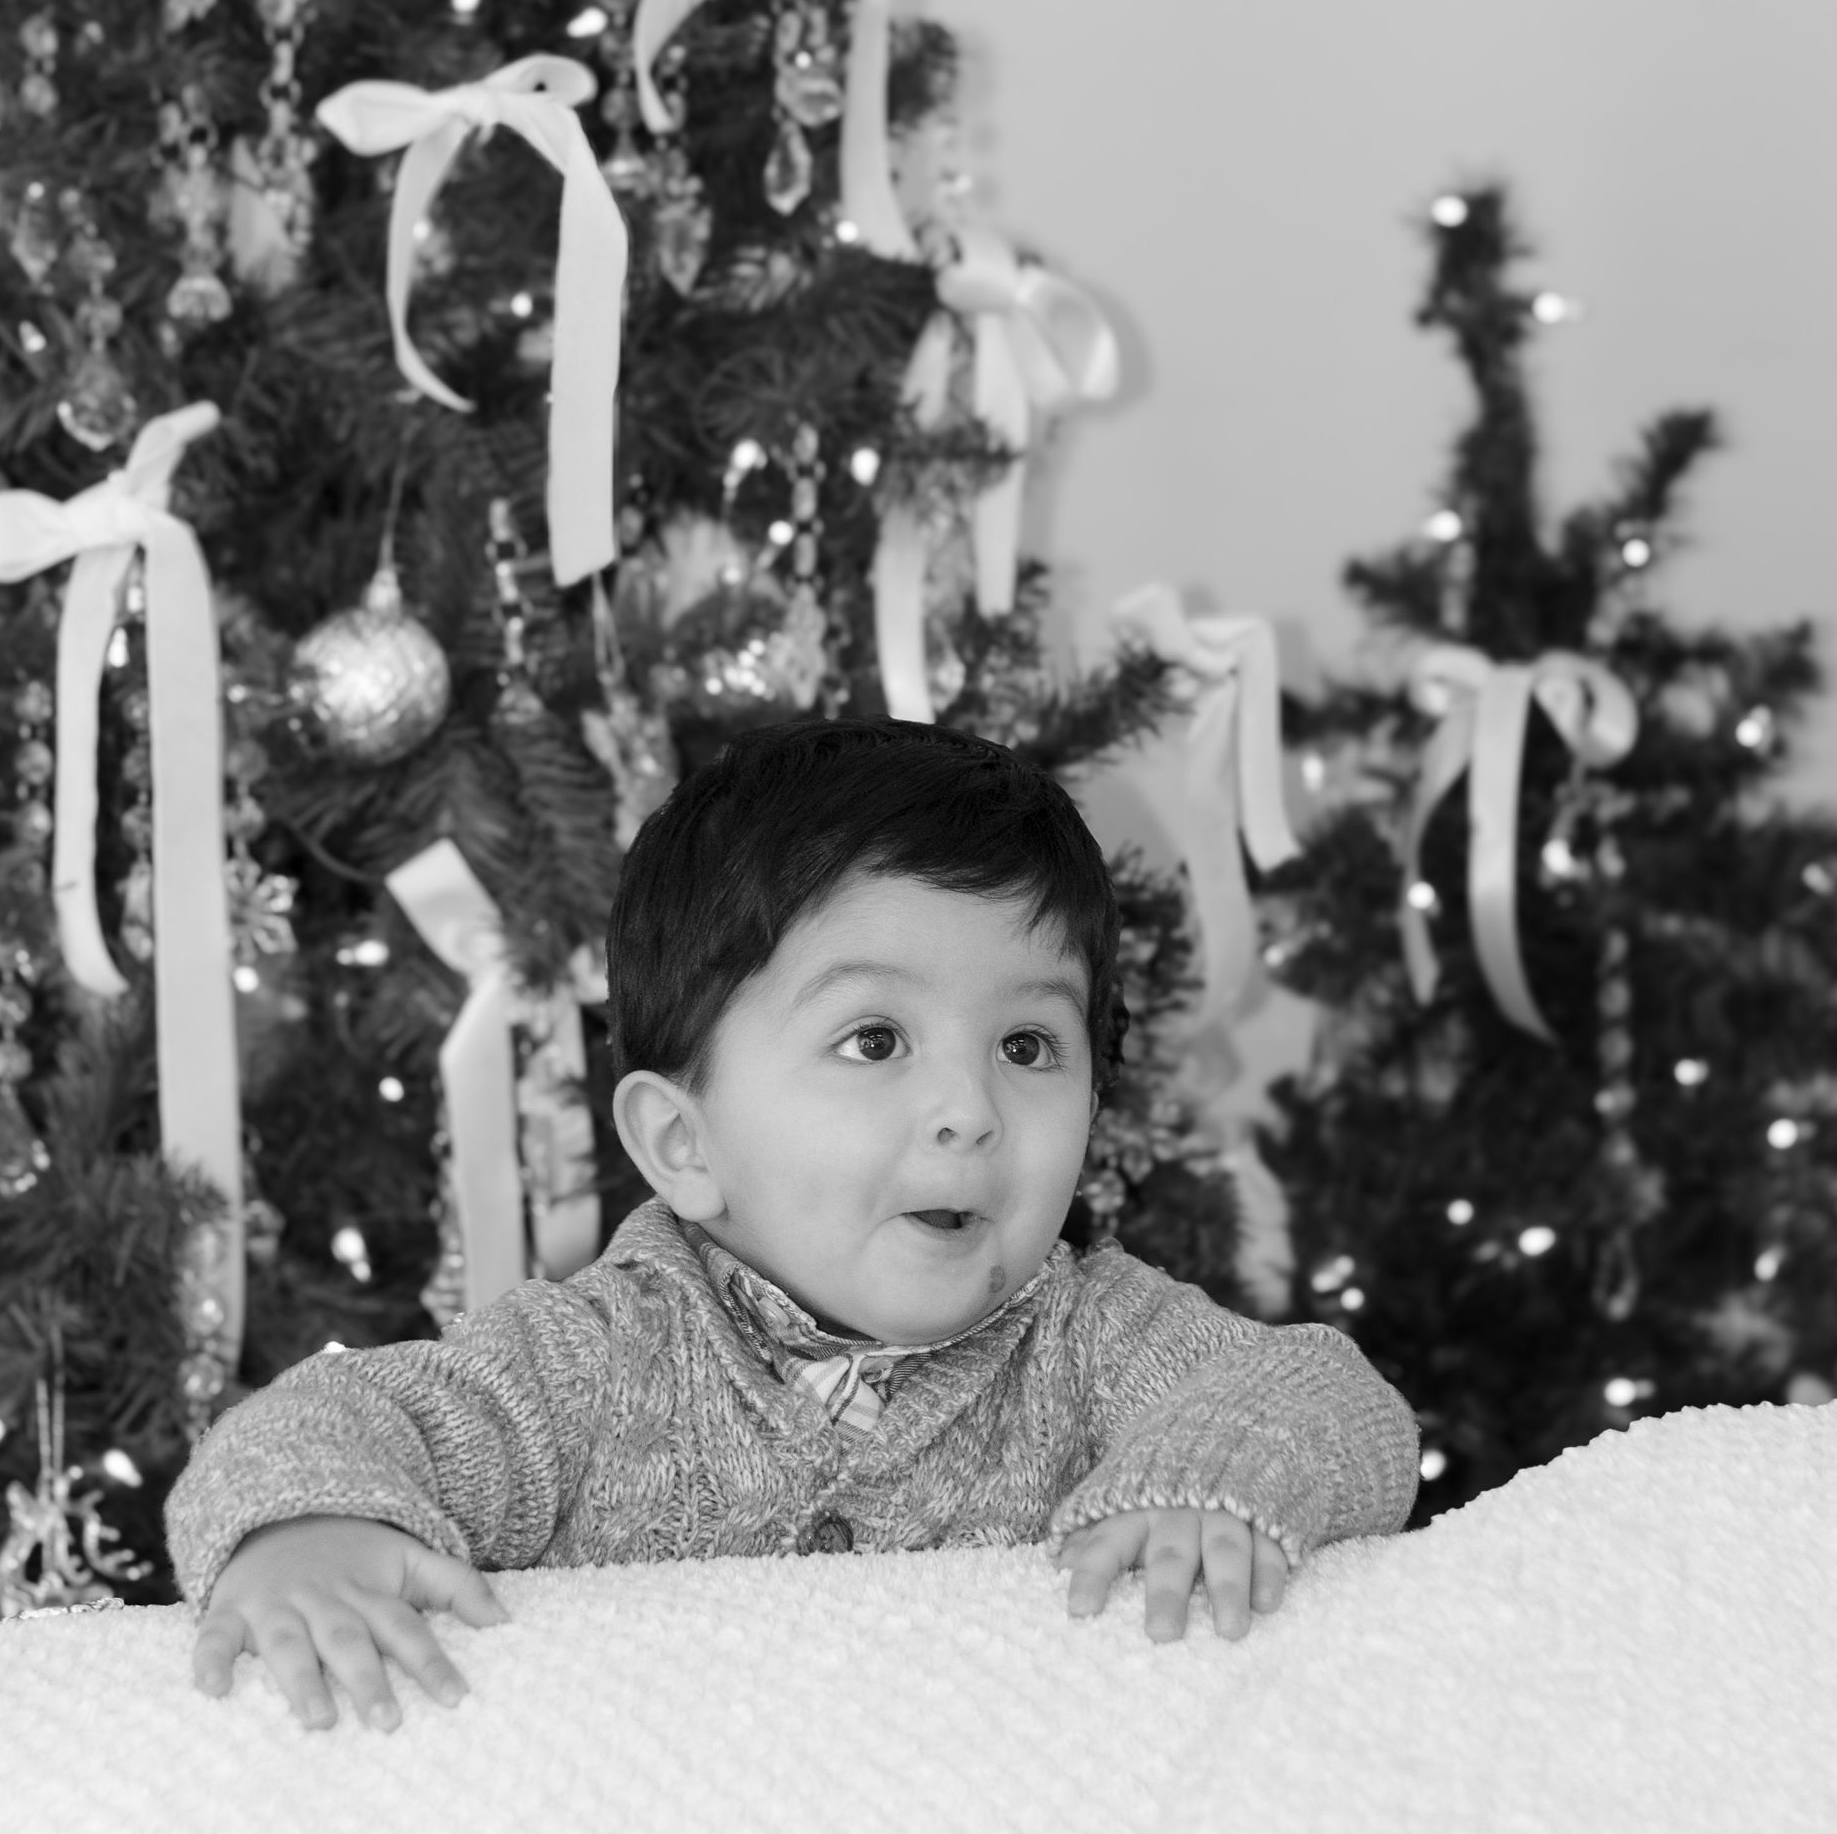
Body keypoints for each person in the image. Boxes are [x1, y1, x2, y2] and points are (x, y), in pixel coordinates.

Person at [173, 718, 1418, 1731]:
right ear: (684, 1144)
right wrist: (307, 1525)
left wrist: (1210, 1484)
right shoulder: (591, 1364)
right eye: (875, 1039)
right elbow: (332, 1416)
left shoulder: (1093, 1335)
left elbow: (1325, 1393)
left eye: (1029, 1044)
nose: (968, 1110)